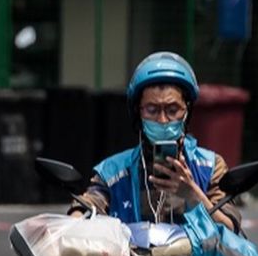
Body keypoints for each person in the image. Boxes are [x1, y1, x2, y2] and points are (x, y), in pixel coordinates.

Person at [71, 51, 240, 231]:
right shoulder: (112, 171)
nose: (162, 120)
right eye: (152, 110)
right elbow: (88, 205)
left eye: (172, 110)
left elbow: (231, 229)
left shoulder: (211, 167)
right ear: (138, 112)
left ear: (187, 111)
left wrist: (193, 196)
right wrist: (74, 221)